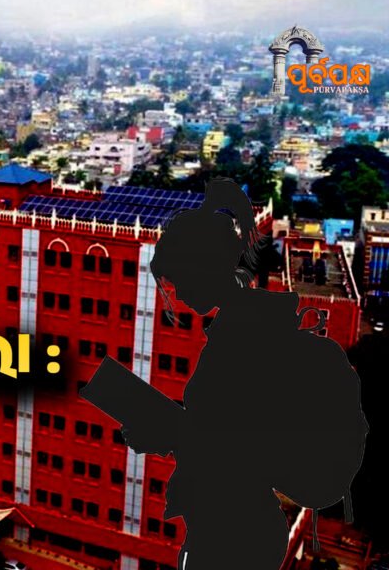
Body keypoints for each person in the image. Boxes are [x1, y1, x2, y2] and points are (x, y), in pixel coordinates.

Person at [116, 177, 366, 569]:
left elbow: (303, 468)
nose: (176, 294)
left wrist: (178, 435)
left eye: (179, 280)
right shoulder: (232, 337)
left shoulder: (264, 345)